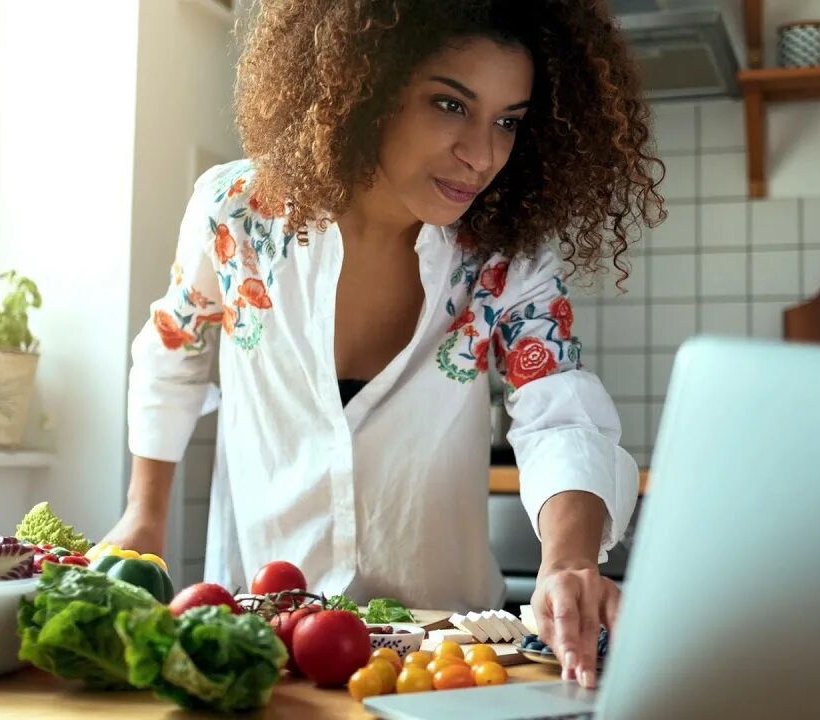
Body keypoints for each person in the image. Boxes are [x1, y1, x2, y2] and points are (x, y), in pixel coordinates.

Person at [104, 0, 663, 689]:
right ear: (365, 85)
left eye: (508, 121)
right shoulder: (237, 213)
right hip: (260, 645)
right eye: (449, 104)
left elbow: (560, 407)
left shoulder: (503, 259)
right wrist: (144, 515)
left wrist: (571, 559)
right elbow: (172, 350)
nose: (483, 154)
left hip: (446, 661)